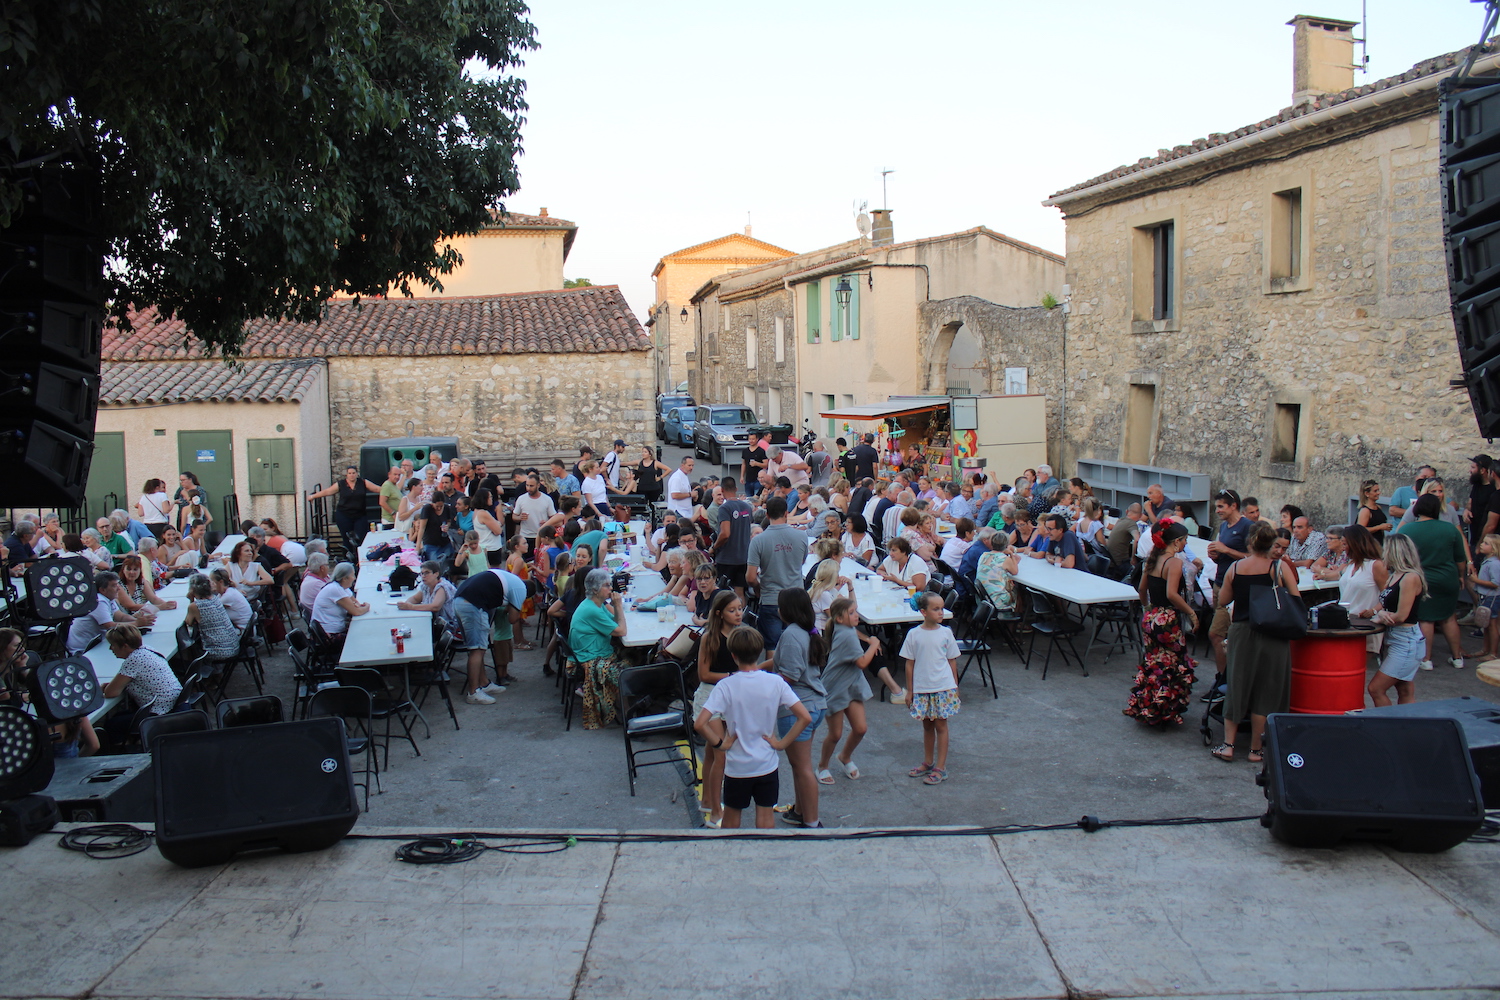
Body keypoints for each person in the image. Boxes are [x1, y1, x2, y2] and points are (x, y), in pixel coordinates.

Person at [695, 626, 810, 831]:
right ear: (759, 653)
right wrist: (781, 743)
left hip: (737, 766)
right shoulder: (776, 682)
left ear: (733, 655)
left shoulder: (726, 686)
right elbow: (804, 717)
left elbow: (700, 723)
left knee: (732, 816)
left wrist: (721, 744)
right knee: (765, 815)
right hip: (766, 763)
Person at [1212, 523, 1299, 763]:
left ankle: (1228, 745)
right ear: (1272, 544)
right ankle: (1255, 749)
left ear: (1250, 543)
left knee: (1237, 685)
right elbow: (1295, 598)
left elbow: (1224, 600)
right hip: (1273, 633)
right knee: (1267, 689)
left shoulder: (1236, 567)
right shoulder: (1278, 568)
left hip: (1243, 631)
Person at [1124, 521, 1198, 726]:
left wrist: (1148, 608)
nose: (1185, 544)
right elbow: (1172, 594)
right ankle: (1166, 710)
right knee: (1171, 665)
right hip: (1169, 620)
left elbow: (1141, 589)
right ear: (1176, 542)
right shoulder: (1174, 563)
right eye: (1184, 541)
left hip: (1151, 617)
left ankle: (1147, 706)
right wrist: (1191, 613)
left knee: (1153, 663)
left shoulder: (1152, 559)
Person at [768, 588, 827, 828]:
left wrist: (762, 685)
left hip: (797, 710)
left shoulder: (791, 634)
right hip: (815, 705)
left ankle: (812, 823)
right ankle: (800, 811)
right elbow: (781, 660)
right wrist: (756, 667)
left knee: (803, 768)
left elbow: (789, 676)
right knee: (798, 765)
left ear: (787, 610)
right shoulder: (804, 631)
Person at [1398, 492, 1471, 671]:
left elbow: (1400, 557)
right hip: (1447, 577)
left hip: (1421, 579)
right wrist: (1461, 576)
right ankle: (1457, 657)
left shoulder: (1408, 530)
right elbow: (1460, 558)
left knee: (1426, 619)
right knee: (1448, 617)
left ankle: (1426, 659)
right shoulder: (1450, 529)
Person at [695, 591, 747, 827]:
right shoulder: (710, 637)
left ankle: (707, 799)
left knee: (710, 751)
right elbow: (704, 675)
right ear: (719, 613)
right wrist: (731, 676)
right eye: (732, 610)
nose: (738, 614)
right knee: (721, 754)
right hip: (711, 698)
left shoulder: (742, 634)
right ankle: (716, 811)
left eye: (740, 608)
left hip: (732, 698)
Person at [817, 596, 880, 784]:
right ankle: (822, 766)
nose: (856, 616)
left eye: (855, 611)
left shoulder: (847, 629)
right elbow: (861, 663)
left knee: (860, 729)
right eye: (851, 613)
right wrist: (874, 644)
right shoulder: (847, 635)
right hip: (835, 686)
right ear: (839, 618)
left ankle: (845, 756)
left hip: (851, 684)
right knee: (835, 734)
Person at [451, 551, 529, 703]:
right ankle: (473, 693)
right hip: (473, 605)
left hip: (461, 599)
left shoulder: (509, 578)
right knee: (477, 649)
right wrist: (513, 609)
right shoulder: (521, 589)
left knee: (477, 647)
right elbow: (513, 619)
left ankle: (484, 683)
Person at [901, 592, 961, 785]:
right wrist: (910, 690)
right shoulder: (914, 634)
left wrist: (955, 686)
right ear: (923, 612)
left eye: (942, 608)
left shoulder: (946, 633)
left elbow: (952, 660)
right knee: (927, 725)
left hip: (943, 686)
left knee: (941, 726)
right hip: (922, 687)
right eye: (936, 609)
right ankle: (928, 761)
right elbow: (909, 664)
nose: (941, 612)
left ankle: (940, 767)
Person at [1369, 534, 1428, 707]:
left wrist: (1381, 617)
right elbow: (1385, 605)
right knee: (1404, 690)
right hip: (1396, 638)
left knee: (1376, 689)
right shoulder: (1394, 575)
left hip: (1406, 639)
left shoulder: (1410, 577)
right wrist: (1377, 612)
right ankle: (1406, 727)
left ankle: (1390, 727)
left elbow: (1401, 616)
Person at [1204, 489, 1251, 694]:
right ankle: (1224, 679)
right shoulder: (1223, 526)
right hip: (1220, 583)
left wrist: (1226, 550)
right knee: (1221, 636)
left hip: (1237, 589)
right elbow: (1223, 555)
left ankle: (1226, 682)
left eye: (1221, 506)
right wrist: (1215, 555)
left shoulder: (1248, 527)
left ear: (1234, 506)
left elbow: (1252, 558)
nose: (1218, 511)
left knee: (1216, 634)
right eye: (1217, 507)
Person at [746, 496, 809, 647]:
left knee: (772, 645)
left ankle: (774, 672)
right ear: (786, 513)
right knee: (796, 644)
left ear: (767, 515)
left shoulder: (758, 540)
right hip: (796, 598)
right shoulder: (801, 536)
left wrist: (758, 588)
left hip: (771, 598)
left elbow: (750, 577)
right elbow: (801, 561)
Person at [102, 625, 181, 716]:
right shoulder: (146, 649)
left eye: (112, 645)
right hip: (174, 704)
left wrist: (107, 687)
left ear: (125, 646)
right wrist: (113, 685)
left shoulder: (133, 660)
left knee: (113, 724)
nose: (110, 648)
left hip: (162, 714)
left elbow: (111, 693)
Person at [67, 570, 154, 654]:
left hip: (98, 644)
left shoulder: (108, 597)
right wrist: (136, 623)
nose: (118, 588)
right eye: (114, 585)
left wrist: (138, 620)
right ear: (102, 590)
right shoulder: (98, 601)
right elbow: (110, 626)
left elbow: (120, 617)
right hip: (85, 650)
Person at [309, 466, 382, 559]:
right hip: (344, 514)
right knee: (346, 538)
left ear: (357, 474)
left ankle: (361, 557)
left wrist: (392, 490)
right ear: (346, 475)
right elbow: (328, 491)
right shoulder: (341, 484)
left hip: (360, 514)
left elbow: (377, 489)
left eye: (353, 473)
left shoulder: (363, 482)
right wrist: (313, 496)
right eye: (349, 473)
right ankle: (348, 558)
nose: (352, 475)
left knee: (362, 536)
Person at [710, 476, 753, 600]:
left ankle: (725, 619)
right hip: (743, 557)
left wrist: (714, 547)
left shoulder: (725, 508)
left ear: (722, 490)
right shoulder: (747, 507)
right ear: (736, 488)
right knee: (739, 593)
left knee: (724, 594)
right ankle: (740, 618)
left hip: (727, 558)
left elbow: (725, 533)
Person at [183, 573, 241, 658]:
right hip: (233, 646)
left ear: (192, 590)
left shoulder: (195, 606)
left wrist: (191, 599)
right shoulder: (215, 598)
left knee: (188, 647)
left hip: (219, 651)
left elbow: (188, 623)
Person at [311, 562, 368, 642]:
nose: (354, 578)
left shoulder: (343, 587)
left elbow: (356, 604)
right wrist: (367, 607)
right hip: (329, 635)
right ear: (344, 578)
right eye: (352, 575)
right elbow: (356, 611)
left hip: (335, 628)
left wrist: (356, 606)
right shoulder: (335, 589)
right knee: (363, 637)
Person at [398, 560, 459, 634]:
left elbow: (435, 607)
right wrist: (406, 604)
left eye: (427, 573)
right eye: (422, 573)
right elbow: (415, 598)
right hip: (433, 623)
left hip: (447, 628)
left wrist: (411, 607)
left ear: (436, 574)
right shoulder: (426, 586)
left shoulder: (442, 587)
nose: (423, 576)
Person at [512, 474, 558, 558]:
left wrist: (547, 523)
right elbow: (514, 516)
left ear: (538, 485)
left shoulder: (547, 499)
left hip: (542, 537)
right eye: (527, 485)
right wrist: (519, 517)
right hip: (526, 537)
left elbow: (554, 518)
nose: (529, 488)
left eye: (531, 486)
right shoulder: (521, 499)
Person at [1472, 534, 1500, 666]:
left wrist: (1476, 580)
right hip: (1485, 595)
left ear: (1494, 549)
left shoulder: (1494, 564)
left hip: (1491, 597)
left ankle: (1493, 652)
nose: (1482, 544)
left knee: (1492, 624)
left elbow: (1496, 583)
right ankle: (1486, 649)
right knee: (1486, 624)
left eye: (1486, 543)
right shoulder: (1487, 561)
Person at [975, 533, 1020, 612]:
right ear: (1006, 545)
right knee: (1019, 591)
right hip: (997, 600)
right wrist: (1011, 555)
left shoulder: (984, 555)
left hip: (984, 598)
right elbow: (1015, 571)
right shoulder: (1004, 558)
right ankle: (1015, 619)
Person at [414, 492, 455, 566]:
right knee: (434, 565)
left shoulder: (446, 508)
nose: (439, 508)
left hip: (444, 542)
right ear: (432, 504)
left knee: (449, 563)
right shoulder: (427, 509)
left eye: (441, 506)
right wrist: (418, 546)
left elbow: (449, 521)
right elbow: (422, 528)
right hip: (431, 543)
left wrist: (447, 526)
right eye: (437, 506)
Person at [299, 552, 332, 622]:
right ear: (322, 568)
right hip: (324, 618)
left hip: (324, 613)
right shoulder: (316, 583)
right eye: (327, 565)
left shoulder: (320, 576)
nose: (329, 567)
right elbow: (337, 598)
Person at [666, 455, 695, 519]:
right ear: (682, 465)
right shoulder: (677, 478)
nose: (691, 468)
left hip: (685, 513)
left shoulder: (684, 475)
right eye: (689, 465)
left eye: (692, 465)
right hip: (678, 512)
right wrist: (690, 494)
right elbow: (674, 495)